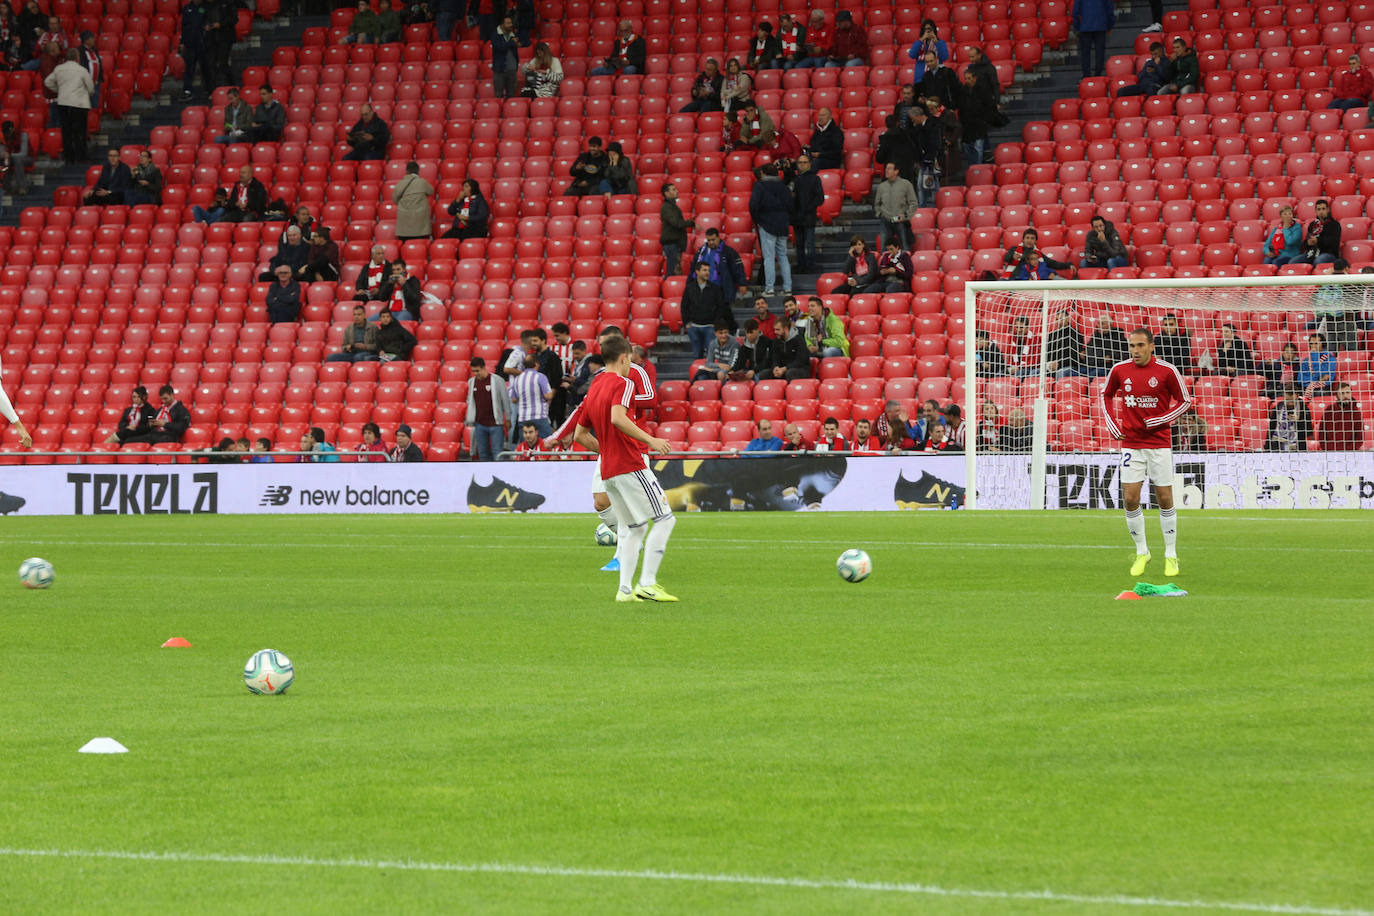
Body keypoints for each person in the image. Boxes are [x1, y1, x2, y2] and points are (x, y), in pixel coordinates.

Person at [571, 335, 675, 602]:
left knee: (635, 527)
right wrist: (651, 439)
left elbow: (579, 435)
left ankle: (625, 590)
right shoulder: (624, 383)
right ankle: (648, 584)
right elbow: (618, 418)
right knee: (665, 519)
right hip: (631, 463)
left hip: (608, 469)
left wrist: (605, 450)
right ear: (624, 357)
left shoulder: (594, 386)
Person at [1100, 328, 1192, 577]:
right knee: (1130, 498)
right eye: (1132, 346)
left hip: (1159, 443)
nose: (1135, 350)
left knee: (1164, 498)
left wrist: (1161, 419)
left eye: (1140, 345)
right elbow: (1105, 394)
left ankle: (1171, 555)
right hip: (1131, 444)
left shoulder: (1166, 370)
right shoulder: (1120, 370)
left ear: (1151, 346)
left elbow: (1185, 401)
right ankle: (1142, 551)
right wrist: (1113, 424)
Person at [750, 162, 792, 295]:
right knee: (783, 256)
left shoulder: (760, 185)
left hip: (767, 225)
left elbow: (753, 205)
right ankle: (787, 288)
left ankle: (770, 288)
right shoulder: (783, 187)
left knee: (768, 258)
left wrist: (758, 221)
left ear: (764, 173)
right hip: (783, 225)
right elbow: (790, 205)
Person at [45, 48, 92, 164]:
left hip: (63, 103)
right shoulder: (82, 70)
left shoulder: (59, 69)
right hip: (79, 104)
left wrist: (59, 90)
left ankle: (69, 159)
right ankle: (81, 158)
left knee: (66, 132)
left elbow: (47, 82)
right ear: (77, 57)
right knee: (80, 132)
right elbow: (90, 88)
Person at [466, 355, 513, 461]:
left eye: (477, 371)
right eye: (473, 371)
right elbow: (471, 402)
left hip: (495, 424)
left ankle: (498, 475)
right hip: (479, 424)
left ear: (484, 367)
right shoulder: (471, 382)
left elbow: (505, 401)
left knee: (497, 453)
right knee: (482, 453)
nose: (476, 374)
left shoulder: (497, 380)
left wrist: (508, 418)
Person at [681, 262, 728, 359]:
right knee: (697, 356)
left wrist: (715, 323)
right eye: (704, 270)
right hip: (693, 327)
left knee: (711, 357)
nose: (707, 273)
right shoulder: (689, 288)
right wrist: (687, 323)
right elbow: (684, 306)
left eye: (708, 270)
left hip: (710, 327)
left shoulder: (715, 288)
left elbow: (721, 307)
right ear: (697, 272)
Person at [690, 227, 747, 302]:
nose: (711, 242)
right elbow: (693, 268)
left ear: (718, 238)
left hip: (722, 289)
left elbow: (738, 268)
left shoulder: (728, 251)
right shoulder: (701, 252)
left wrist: (742, 283)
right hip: (704, 289)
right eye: (709, 240)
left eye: (713, 240)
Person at [787, 154, 823, 273]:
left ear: (809, 164)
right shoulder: (795, 179)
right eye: (800, 162)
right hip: (796, 216)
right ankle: (801, 265)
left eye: (804, 162)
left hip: (808, 215)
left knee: (810, 243)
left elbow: (820, 198)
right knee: (799, 244)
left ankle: (811, 265)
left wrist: (808, 207)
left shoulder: (815, 178)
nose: (802, 165)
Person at [508, 355, 554, 440]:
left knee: (526, 449)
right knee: (547, 445)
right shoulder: (540, 376)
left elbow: (514, 399)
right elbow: (548, 395)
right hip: (539, 416)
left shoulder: (517, 379)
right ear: (536, 364)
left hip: (523, 418)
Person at [873, 162, 916, 251]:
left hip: (899, 219)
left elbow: (913, 203)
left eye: (889, 169)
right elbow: (877, 203)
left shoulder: (906, 184)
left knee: (905, 247)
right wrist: (880, 214)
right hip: (886, 220)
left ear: (896, 171)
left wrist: (905, 216)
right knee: (884, 249)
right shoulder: (882, 186)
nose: (886, 171)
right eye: (886, 169)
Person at [1072, 0, 1114, 80]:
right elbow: (1109, 9)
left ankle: (1086, 76)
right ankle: (1098, 75)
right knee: (1100, 52)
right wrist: (1109, 25)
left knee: (1085, 54)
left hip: (1085, 26)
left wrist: (1077, 27)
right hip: (1101, 26)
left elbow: (1075, 12)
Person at [392, 161, 434, 241]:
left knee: (405, 248)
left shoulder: (400, 183)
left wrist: (403, 205)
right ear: (418, 171)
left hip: (404, 223)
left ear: (407, 171)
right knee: (420, 248)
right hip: (420, 225)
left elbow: (394, 199)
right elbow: (431, 191)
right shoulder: (422, 182)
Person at [659, 182, 693, 275]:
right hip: (672, 243)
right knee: (672, 272)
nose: (677, 191)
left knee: (675, 271)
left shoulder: (672, 206)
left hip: (675, 243)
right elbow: (676, 223)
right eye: (673, 189)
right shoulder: (667, 207)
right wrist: (690, 223)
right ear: (666, 193)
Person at [1318, 382, 1363, 450]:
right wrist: (1328, 448)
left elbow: (1359, 438)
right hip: (1330, 452)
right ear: (1337, 396)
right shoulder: (1329, 410)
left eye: (1348, 392)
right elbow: (1322, 432)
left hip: (1350, 453)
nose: (1345, 396)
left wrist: (1348, 450)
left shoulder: (1356, 413)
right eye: (1342, 393)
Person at [1266, 385, 1312, 451]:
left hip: (1297, 446)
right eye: (1287, 400)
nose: (1289, 403)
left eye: (1292, 400)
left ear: (1297, 396)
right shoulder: (1279, 407)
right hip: (1277, 444)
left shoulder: (1304, 409)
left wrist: (1298, 421)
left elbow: (1308, 431)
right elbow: (1272, 426)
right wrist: (1267, 445)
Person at [1298, 199, 1341, 266]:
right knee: (1293, 262)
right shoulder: (1312, 225)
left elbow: (1334, 242)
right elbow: (1306, 241)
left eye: (1323, 209)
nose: (1321, 211)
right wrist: (1308, 243)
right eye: (1319, 209)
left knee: (1318, 261)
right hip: (1312, 253)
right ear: (1316, 211)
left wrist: (1317, 241)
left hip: (1329, 254)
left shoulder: (1335, 224)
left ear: (1328, 210)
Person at [1046, 310, 1085, 378]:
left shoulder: (1076, 334)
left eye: (1061, 319)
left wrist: (1059, 364)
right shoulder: (1052, 335)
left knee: (1061, 372)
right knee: (1036, 372)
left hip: (1070, 366)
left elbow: (1074, 356)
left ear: (1068, 319)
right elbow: (1048, 353)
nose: (1058, 322)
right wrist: (1050, 363)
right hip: (1053, 366)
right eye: (1057, 319)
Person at [907, 18, 948, 83]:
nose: (928, 31)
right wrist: (921, 40)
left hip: (936, 79)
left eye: (930, 29)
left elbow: (944, 57)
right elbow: (912, 55)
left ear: (934, 30)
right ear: (923, 31)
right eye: (926, 29)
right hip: (920, 78)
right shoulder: (918, 43)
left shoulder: (940, 43)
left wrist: (936, 42)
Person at [490, 14, 520, 98]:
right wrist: (511, 42)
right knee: (498, 94)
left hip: (512, 69)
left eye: (511, 23)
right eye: (508, 23)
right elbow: (500, 47)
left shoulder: (513, 34)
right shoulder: (495, 35)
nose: (511, 25)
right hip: (499, 70)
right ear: (502, 25)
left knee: (511, 95)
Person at [806, 107, 843, 171]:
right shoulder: (817, 132)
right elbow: (814, 147)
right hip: (816, 159)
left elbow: (836, 152)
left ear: (830, 117)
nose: (820, 118)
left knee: (814, 163)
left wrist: (820, 155)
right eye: (819, 115)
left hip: (830, 161)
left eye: (823, 115)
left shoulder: (836, 132)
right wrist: (809, 149)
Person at [2, 121, 32, 196]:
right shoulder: (4, 137)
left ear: (12, 129)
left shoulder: (23, 135)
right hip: (11, 158)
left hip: (27, 158)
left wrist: (10, 155)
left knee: (17, 160)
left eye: (8, 132)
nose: (7, 134)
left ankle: (22, 187)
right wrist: (4, 155)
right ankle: (6, 187)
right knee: (4, 162)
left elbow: (23, 153)